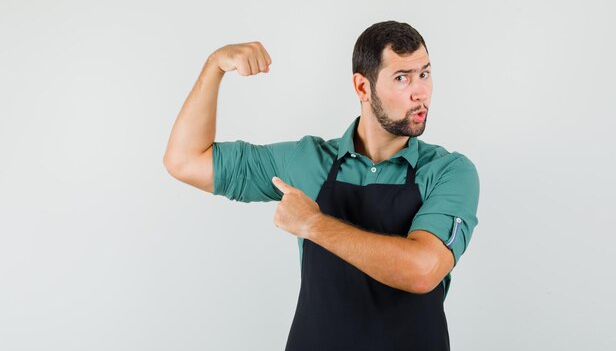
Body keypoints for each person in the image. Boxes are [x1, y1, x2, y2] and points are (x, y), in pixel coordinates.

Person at [163, 20, 480, 351]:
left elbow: (423, 271)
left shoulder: (449, 172)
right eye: (402, 78)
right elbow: (185, 160)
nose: (421, 93)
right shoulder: (307, 161)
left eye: (424, 74)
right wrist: (215, 66)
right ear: (362, 88)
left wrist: (312, 224)